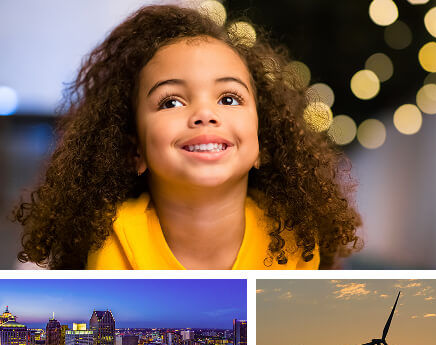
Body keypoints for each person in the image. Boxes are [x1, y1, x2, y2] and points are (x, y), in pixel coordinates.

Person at [14, 4, 360, 270]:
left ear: (263, 145)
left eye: (229, 98)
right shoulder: (106, 243)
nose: (205, 114)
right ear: (135, 150)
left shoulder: (296, 241)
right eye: (171, 101)